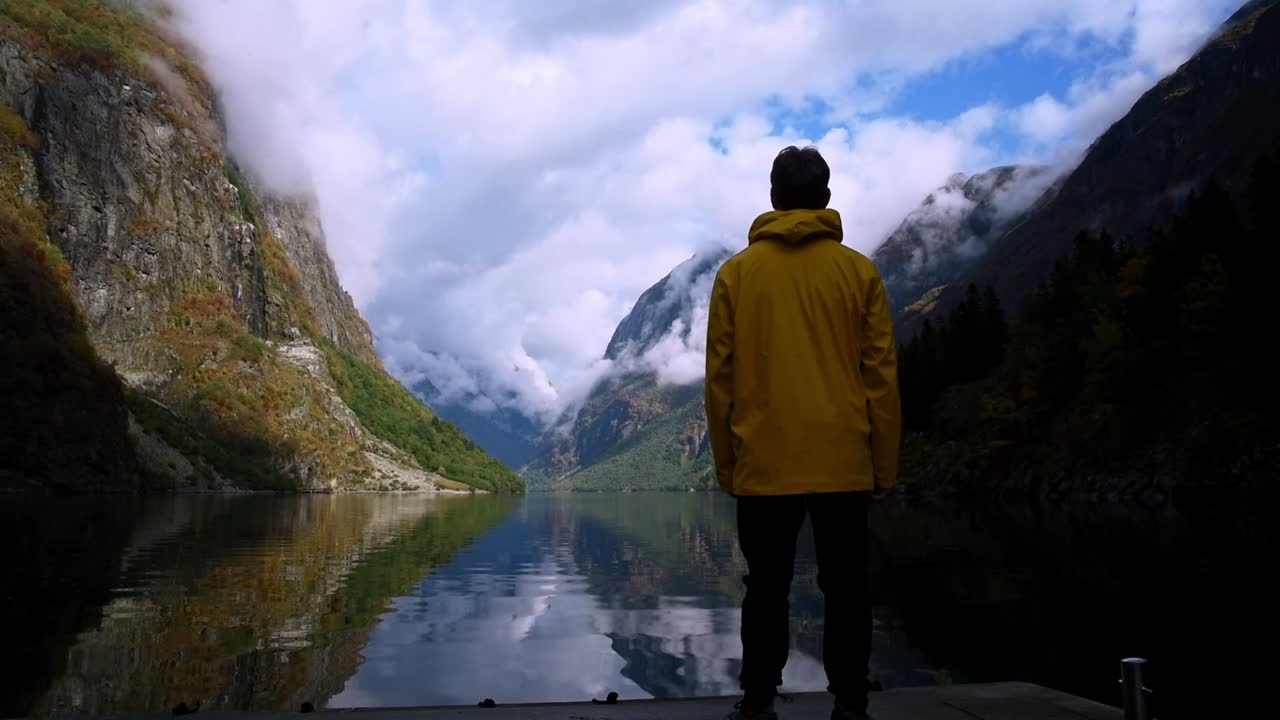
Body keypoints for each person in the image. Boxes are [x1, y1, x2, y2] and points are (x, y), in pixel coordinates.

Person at [705, 145, 901, 720]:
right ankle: (851, 700)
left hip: (764, 463)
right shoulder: (859, 272)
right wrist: (882, 467)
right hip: (844, 460)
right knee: (847, 586)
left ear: (773, 197)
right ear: (826, 199)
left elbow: (720, 381)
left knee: (765, 585)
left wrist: (727, 465)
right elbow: (881, 378)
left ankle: (759, 700)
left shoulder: (736, 275)